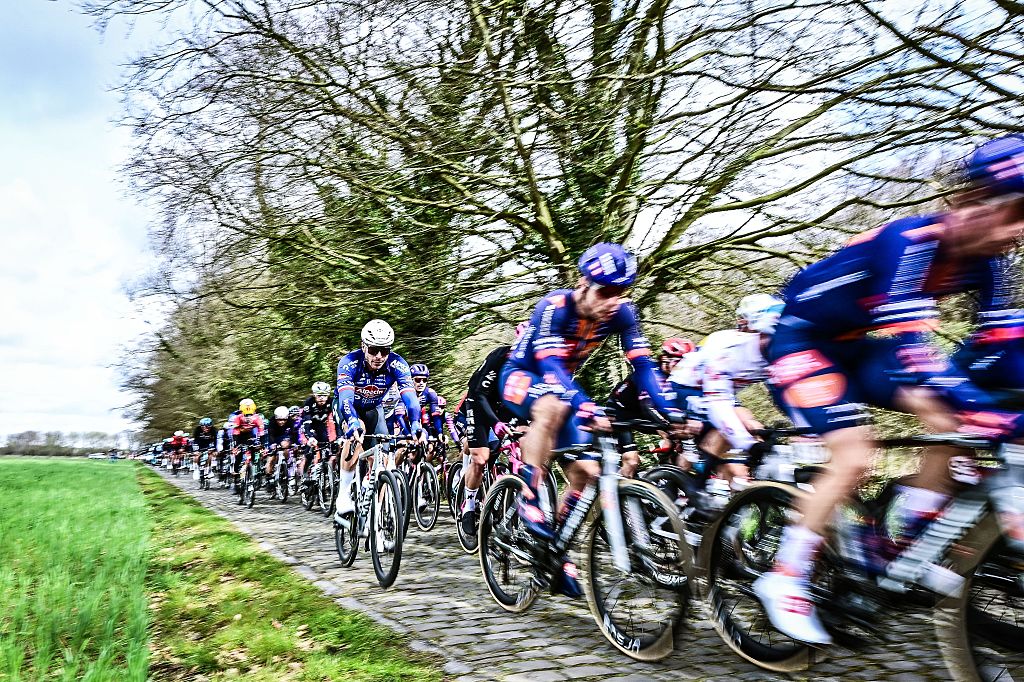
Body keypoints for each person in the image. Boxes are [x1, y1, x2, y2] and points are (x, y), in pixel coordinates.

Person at [754, 135, 1024, 644]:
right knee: (856, 455)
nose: (1020, 231)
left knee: (949, 419)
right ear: (971, 202)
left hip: (858, 346)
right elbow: (912, 348)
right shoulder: (910, 241)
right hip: (801, 341)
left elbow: (1004, 348)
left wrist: (997, 406)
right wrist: (986, 408)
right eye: (1016, 212)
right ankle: (784, 577)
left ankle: (902, 537)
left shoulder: (989, 264)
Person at [499, 243, 683, 597]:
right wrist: (585, 405)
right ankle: (528, 494)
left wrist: (672, 412)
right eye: (607, 292)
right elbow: (550, 367)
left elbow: (644, 368)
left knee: (588, 473)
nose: (614, 300)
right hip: (522, 378)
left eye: (622, 292)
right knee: (552, 404)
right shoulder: (554, 307)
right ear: (583, 284)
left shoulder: (623, 314)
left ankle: (556, 551)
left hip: (562, 388)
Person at [667, 295, 784, 487]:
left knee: (750, 424)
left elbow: (784, 391)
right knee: (724, 431)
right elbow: (717, 403)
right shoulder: (726, 346)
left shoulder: (772, 351)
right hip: (688, 387)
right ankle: (684, 487)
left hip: (720, 390)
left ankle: (725, 491)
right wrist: (750, 444)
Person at [333, 319, 424, 521]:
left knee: (382, 460)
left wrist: (416, 423)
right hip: (348, 407)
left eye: (385, 350)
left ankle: (375, 510)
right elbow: (346, 399)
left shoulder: (397, 364)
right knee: (359, 434)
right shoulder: (349, 363)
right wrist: (352, 421)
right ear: (364, 346)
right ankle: (343, 495)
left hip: (374, 408)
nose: (379, 356)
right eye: (374, 350)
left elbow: (410, 397)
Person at [459, 323, 527, 538]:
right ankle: (468, 506)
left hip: (508, 404)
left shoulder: (538, 364)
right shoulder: (499, 357)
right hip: (479, 400)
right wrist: (496, 424)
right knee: (480, 458)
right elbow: (480, 395)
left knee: (527, 445)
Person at [607, 336, 696, 477]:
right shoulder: (650, 372)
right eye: (679, 362)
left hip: (641, 414)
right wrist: (669, 429)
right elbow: (648, 407)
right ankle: (614, 490)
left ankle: (663, 480)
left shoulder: (677, 379)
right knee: (631, 461)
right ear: (665, 358)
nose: (683, 367)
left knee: (681, 442)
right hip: (620, 413)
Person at [266, 405, 302, 493]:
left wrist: (295, 443)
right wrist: (273, 444)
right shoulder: (271, 421)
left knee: (286, 446)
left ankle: (287, 464)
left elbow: (294, 433)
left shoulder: (290, 420)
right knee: (271, 459)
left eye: (284, 420)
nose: (282, 422)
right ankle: (269, 477)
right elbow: (270, 434)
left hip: (284, 437)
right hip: (273, 437)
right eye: (279, 420)